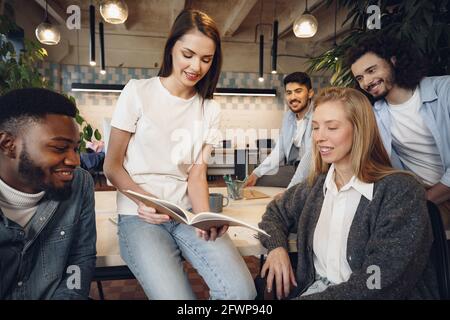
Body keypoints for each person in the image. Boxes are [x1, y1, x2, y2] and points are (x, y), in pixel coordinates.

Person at [103, 9, 256, 300]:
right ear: (171, 47)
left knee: (242, 292)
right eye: (188, 54)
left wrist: (204, 217)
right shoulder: (137, 92)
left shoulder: (210, 109)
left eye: (206, 59)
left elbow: (197, 175)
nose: (196, 66)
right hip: (139, 216)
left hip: (186, 215)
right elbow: (112, 166)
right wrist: (143, 201)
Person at [258, 87, 439, 299]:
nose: (319, 137)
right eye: (315, 128)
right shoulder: (316, 187)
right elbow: (274, 213)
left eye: (332, 127)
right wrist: (277, 248)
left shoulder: (400, 191)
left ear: (360, 129)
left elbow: (379, 281)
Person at [0, 88, 97, 299]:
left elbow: (80, 257)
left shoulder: (79, 183)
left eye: (75, 148)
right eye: (60, 148)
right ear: (8, 145)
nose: (75, 161)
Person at [347, 34, 450, 229]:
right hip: (421, 195)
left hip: (431, 196)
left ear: (393, 61)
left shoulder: (444, 90)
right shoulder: (376, 114)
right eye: (360, 78)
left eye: (371, 70)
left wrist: (419, 202)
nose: (366, 82)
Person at [245, 72, 315, 188]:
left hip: (313, 172)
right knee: (260, 180)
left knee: (291, 191)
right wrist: (256, 173)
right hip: (293, 167)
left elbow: (310, 158)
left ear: (310, 93)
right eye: (289, 93)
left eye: (298, 91)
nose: (293, 97)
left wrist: (290, 189)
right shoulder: (288, 117)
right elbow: (279, 150)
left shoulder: (317, 115)